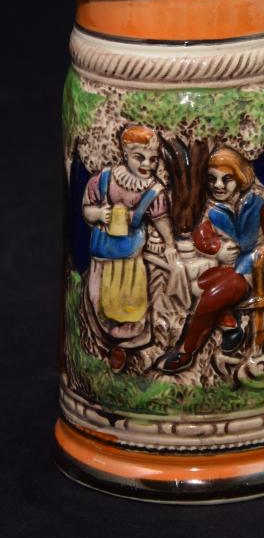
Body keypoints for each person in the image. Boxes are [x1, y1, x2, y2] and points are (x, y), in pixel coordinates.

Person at [157, 146, 264, 374]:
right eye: (212, 179)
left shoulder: (258, 204)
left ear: (240, 179)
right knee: (196, 287)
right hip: (228, 268)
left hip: (250, 270)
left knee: (210, 298)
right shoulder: (214, 210)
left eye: (226, 180)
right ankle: (230, 326)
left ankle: (186, 351)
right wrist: (217, 249)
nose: (218, 185)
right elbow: (201, 237)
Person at [82, 124, 177, 372]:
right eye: (139, 157)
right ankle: (104, 345)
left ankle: (124, 348)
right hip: (103, 254)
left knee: (131, 304)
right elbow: (87, 210)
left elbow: (161, 219)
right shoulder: (103, 179)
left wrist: (169, 244)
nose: (147, 164)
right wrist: (97, 214)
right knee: (98, 299)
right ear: (125, 153)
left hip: (131, 258)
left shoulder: (153, 190)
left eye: (153, 159)